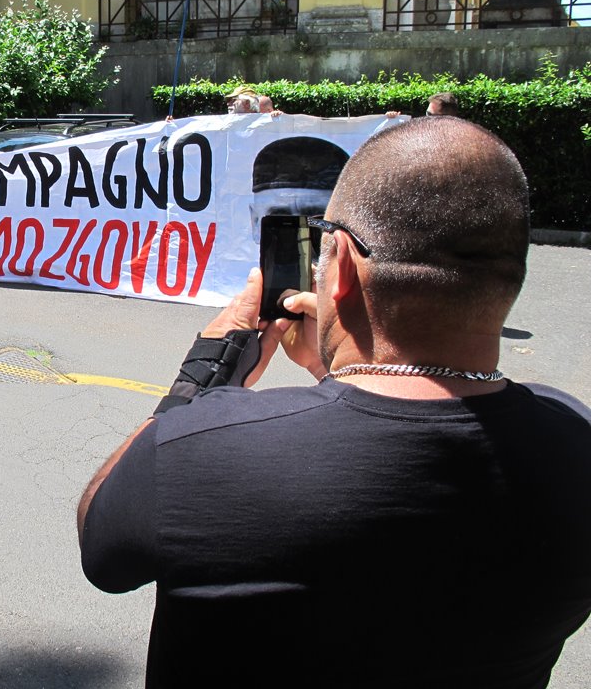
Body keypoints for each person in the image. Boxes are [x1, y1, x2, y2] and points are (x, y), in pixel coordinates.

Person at [78, 117, 591, 688]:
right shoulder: (575, 440)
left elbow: (103, 544)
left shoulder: (208, 446)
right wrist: (339, 364)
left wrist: (203, 375)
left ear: (341, 266)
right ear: (512, 274)